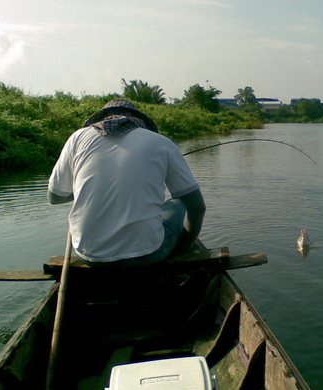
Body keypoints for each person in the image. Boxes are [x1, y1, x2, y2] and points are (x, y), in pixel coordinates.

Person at [48, 98, 206, 267]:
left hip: (90, 255)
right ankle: (176, 250)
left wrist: (82, 190)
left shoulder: (77, 138)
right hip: (147, 254)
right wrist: (185, 245)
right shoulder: (161, 142)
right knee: (177, 203)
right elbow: (197, 207)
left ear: (101, 119)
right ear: (137, 120)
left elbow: (55, 197)